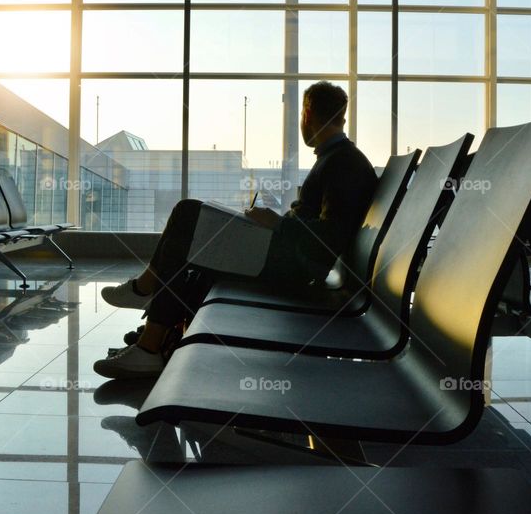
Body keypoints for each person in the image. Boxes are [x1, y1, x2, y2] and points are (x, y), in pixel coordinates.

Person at [93, 81, 378, 379]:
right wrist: (272, 225)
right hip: (294, 260)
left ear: (307, 114)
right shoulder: (339, 159)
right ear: (341, 116)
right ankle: (153, 336)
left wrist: (278, 223)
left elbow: (328, 238)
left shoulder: (341, 163)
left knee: (188, 213)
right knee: (198, 242)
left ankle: (148, 316)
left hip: (296, 268)